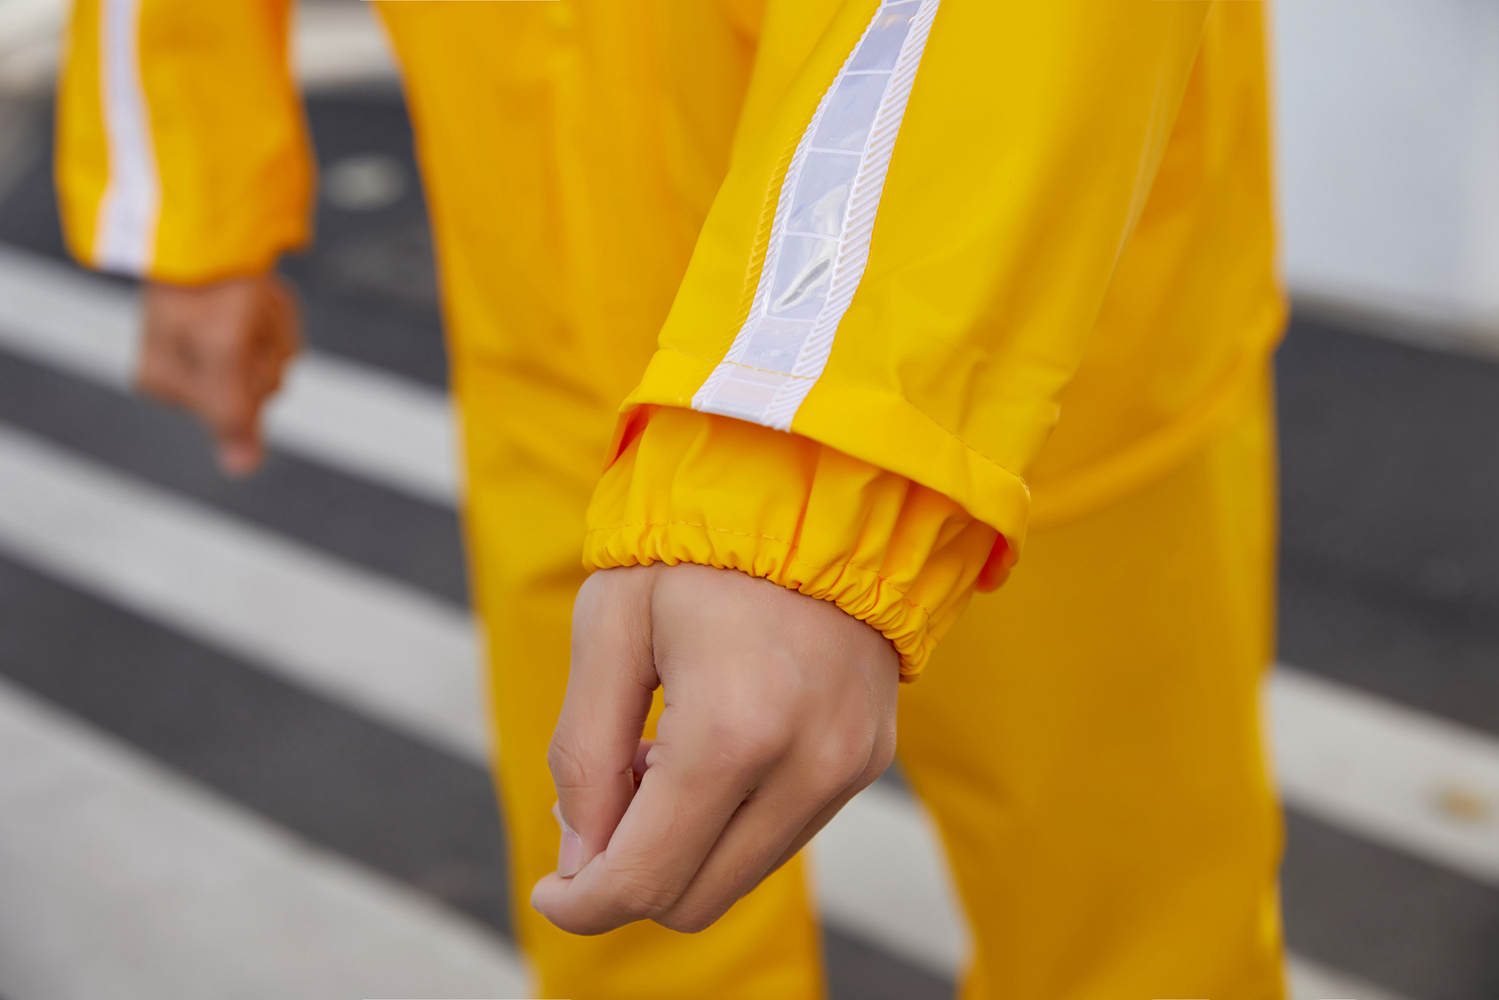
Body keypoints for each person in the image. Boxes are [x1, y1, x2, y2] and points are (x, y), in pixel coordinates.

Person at [56, 1, 1288, 997]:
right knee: (630, 921)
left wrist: (802, 446)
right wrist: (189, 187)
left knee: (1127, 935)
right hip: (555, 314)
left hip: (1029, 348)